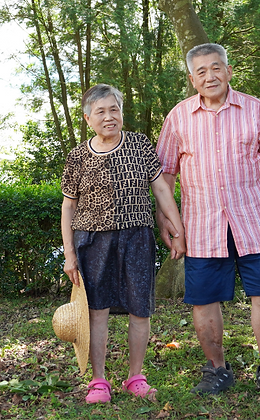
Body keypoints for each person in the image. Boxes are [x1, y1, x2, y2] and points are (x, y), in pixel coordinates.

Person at [156, 43, 260, 399]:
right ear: (192, 79)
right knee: (204, 300)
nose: (210, 76)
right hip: (201, 227)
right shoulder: (178, 117)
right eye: (201, 71)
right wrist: (169, 223)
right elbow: (165, 175)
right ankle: (216, 370)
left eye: (216, 68)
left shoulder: (257, 111)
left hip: (254, 223)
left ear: (229, 71)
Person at [61, 84, 187, 404]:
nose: (109, 116)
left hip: (137, 238)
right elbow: (68, 208)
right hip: (93, 242)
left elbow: (161, 191)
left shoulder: (139, 145)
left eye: (114, 109)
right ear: (88, 118)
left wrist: (178, 228)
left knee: (139, 310)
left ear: (121, 112)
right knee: (97, 312)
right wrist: (69, 255)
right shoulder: (77, 157)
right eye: (100, 111)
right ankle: (99, 381)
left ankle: (135, 377)